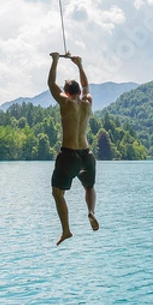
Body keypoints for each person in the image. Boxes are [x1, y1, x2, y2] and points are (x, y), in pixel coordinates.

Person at [48, 52, 99, 245]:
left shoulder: (66, 102)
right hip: (87, 155)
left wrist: (54, 61)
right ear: (78, 91)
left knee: (57, 193)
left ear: (67, 92)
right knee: (89, 186)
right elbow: (87, 86)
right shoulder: (87, 103)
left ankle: (66, 230)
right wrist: (79, 65)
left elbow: (52, 85)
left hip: (69, 155)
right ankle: (91, 212)